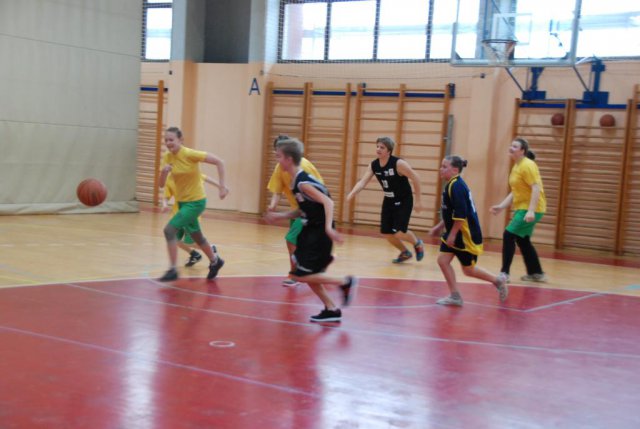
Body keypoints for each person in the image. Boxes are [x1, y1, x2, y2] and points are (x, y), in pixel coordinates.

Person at [264, 137, 358, 323]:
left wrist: (328, 228)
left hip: (319, 233)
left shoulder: (302, 182)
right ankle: (331, 308)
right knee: (302, 274)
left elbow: (328, 202)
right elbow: (303, 210)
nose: (277, 160)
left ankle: (344, 282)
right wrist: (280, 216)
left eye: (279, 156)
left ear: (289, 159)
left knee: (303, 275)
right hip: (310, 231)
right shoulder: (295, 181)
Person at [429, 156, 508, 306]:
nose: (441, 169)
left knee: (468, 270)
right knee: (443, 261)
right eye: (441, 166)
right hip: (455, 232)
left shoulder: (456, 187)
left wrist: (452, 234)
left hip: (465, 235)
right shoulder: (452, 184)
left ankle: (497, 281)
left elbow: (461, 214)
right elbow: (450, 212)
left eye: (444, 167)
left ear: (455, 170)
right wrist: (439, 227)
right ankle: (455, 296)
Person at [157, 126, 228, 282]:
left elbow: (219, 162)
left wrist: (222, 187)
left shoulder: (189, 154)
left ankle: (172, 270)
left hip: (196, 202)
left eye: (171, 139)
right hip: (183, 203)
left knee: (169, 230)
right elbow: (161, 184)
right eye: (166, 140)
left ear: (180, 140)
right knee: (197, 237)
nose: (168, 143)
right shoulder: (167, 157)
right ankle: (215, 261)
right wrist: (164, 172)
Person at [346, 137, 425, 263]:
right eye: (377, 146)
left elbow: (416, 177)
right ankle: (405, 252)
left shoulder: (398, 164)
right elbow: (362, 182)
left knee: (399, 232)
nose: (378, 149)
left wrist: (419, 200)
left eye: (382, 147)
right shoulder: (374, 165)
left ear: (389, 151)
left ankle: (417, 243)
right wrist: (352, 193)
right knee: (386, 232)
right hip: (389, 200)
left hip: (403, 200)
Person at [267, 135, 324, 287]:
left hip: (310, 210)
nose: (277, 155)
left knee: (291, 239)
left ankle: (295, 274)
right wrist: (272, 206)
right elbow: (277, 190)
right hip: (297, 209)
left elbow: (320, 189)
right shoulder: (280, 168)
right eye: (276, 152)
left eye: (279, 153)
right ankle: (316, 263)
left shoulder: (304, 166)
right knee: (299, 242)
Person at [490, 137, 547, 283]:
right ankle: (536, 273)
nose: (511, 148)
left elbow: (536, 188)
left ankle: (504, 273)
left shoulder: (528, 165)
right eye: (511, 145)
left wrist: (531, 211)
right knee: (523, 240)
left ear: (522, 151)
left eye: (515, 146)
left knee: (508, 235)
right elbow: (515, 191)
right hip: (523, 208)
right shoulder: (517, 166)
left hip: (531, 208)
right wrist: (502, 206)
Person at [162, 172, 227, 267]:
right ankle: (194, 254)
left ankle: (211, 248)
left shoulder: (189, 172)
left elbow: (206, 178)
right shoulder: (170, 178)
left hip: (190, 214)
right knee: (175, 240)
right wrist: (164, 205)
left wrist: (221, 187)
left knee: (190, 242)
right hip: (177, 215)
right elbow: (166, 196)